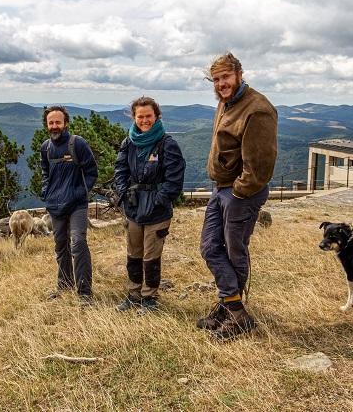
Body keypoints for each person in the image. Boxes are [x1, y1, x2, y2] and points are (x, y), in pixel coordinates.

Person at [197, 52, 278, 339]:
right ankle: (232, 306)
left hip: (240, 193)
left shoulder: (257, 109)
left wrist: (239, 191)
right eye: (216, 79)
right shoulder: (226, 103)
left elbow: (260, 164)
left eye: (226, 77)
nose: (221, 83)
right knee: (209, 247)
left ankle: (235, 315)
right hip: (221, 188)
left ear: (239, 75)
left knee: (234, 252)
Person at [114, 96, 185, 311]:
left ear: (157, 116)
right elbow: (120, 170)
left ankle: (150, 298)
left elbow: (174, 180)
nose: (144, 120)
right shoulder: (129, 142)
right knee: (133, 254)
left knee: (151, 256)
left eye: (148, 116)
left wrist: (157, 201)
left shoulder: (167, 144)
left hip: (156, 211)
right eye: (140, 116)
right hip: (134, 206)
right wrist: (124, 193)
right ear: (134, 117)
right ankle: (133, 294)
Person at [40, 105, 98, 305]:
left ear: (66, 123)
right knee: (60, 246)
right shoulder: (46, 148)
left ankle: (84, 292)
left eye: (58, 122)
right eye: (51, 123)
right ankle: (64, 285)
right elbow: (45, 174)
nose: (55, 126)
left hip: (77, 205)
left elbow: (92, 171)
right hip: (55, 205)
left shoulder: (77, 144)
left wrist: (80, 191)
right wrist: (45, 190)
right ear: (47, 125)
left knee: (78, 243)